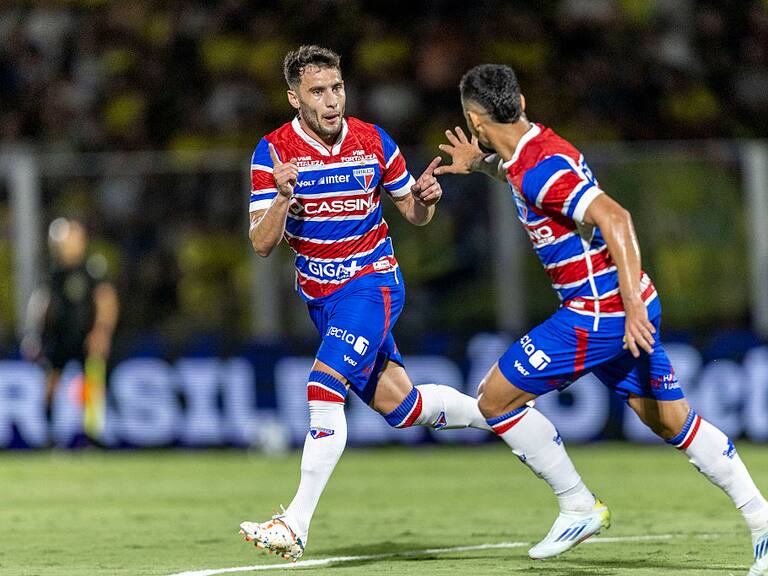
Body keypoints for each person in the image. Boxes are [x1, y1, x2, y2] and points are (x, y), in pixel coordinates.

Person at [435, 63, 768, 573]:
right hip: (619, 307)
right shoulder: (533, 151)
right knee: (671, 419)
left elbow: (616, 217)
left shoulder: (541, 164)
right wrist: (480, 165)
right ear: (520, 102)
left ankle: (577, 505)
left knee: (495, 399)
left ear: (474, 121)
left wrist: (630, 304)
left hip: (600, 313)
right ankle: (763, 523)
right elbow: (528, 182)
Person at [238, 45, 492, 561]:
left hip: (372, 283)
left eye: (337, 88)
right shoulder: (273, 152)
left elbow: (411, 214)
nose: (332, 101)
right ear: (294, 98)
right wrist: (284, 196)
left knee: (321, 385)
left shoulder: (373, 140)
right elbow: (262, 244)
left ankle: (295, 523)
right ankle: (505, 413)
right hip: (323, 299)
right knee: (402, 406)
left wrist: (424, 202)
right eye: (317, 91)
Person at [22, 217, 119, 440]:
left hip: (86, 336)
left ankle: (92, 436)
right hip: (58, 336)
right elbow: (41, 302)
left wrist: (101, 331)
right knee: (51, 384)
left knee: (91, 386)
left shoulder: (91, 269)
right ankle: (48, 435)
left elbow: (106, 300)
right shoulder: (53, 271)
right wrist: (35, 334)